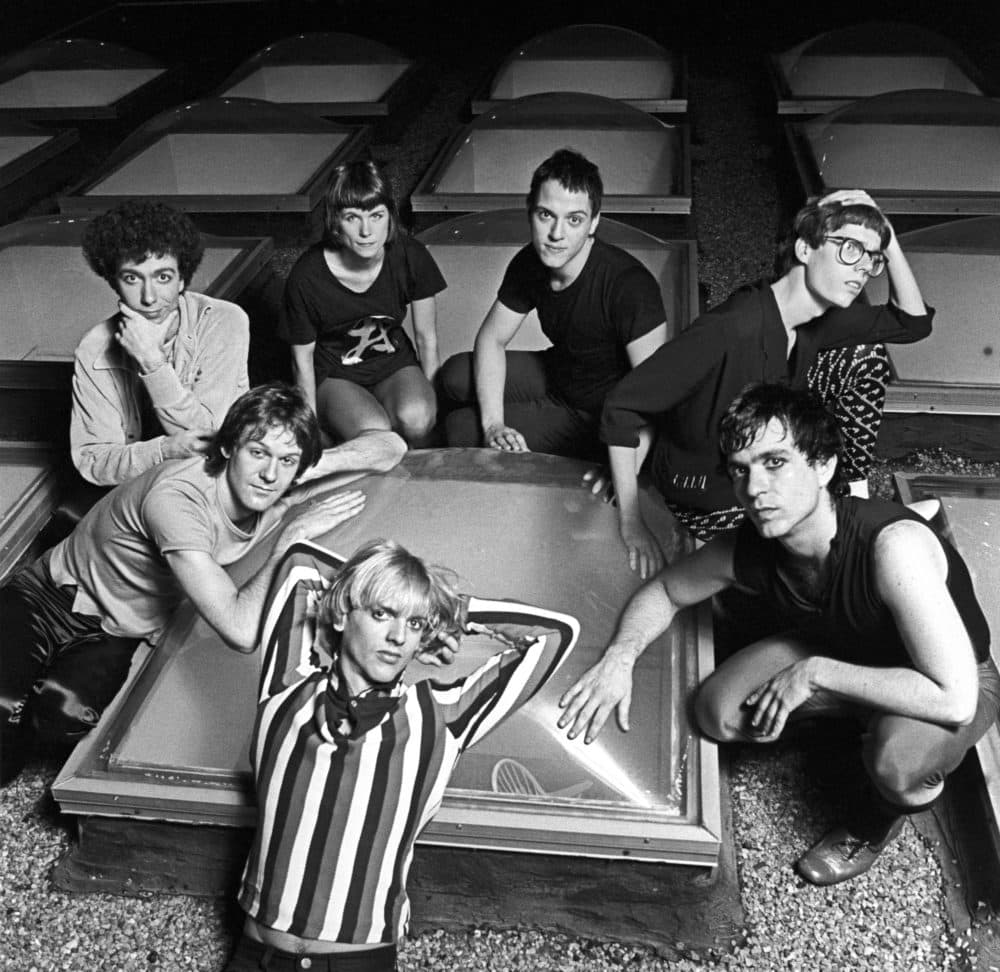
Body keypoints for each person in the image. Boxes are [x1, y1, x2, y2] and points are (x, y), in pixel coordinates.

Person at [558, 384, 998, 886]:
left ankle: (874, 822)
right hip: (841, 643)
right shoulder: (753, 544)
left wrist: (813, 675)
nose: (754, 488)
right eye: (742, 470)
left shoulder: (893, 548)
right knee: (717, 713)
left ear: (824, 466)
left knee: (898, 762)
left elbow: (956, 698)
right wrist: (620, 657)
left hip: (947, 678)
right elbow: (665, 591)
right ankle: (855, 724)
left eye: (776, 463)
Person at [0, 383, 406, 786]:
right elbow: (240, 631)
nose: (269, 474)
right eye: (258, 452)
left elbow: (392, 447)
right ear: (228, 448)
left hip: (119, 628)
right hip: (50, 596)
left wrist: (317, 462)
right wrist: (291, 537)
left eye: (286, 460)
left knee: (63, 719)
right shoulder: (177, 500)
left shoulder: (278, 476)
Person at [226, 539, 579, 971]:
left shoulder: (440, 718)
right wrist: (384, 584)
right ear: (340, 613)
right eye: (381, 614)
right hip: (255, 956)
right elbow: (301, 561)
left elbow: (555, 634)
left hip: (359, 964)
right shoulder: (286, 688)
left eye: (414, 624)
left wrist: (449, 609)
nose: (397, 637)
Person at [597, 190, 932, 578]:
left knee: (865, 356)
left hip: (765, 455)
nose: (863, 268)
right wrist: (631, 521)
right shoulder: (730, 327)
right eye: (851, 249)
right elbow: (621, 407)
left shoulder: (816, 317)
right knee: (811, 566)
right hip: (709, 489)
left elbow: (913, 322)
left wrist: (886, 233)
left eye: (872, 258)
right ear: (806, 249)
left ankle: (854, 503)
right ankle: (853, 530)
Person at [439, 148, 667, 461]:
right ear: (530, 211)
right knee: (454, 374)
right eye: (546, 215)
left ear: (594, 223)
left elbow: (656, 395)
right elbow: (492, 338)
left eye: (574, 220)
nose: (556, 234)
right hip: (557, 372)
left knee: (459, 430)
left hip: (594, 414)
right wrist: (494, 424)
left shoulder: (630, 286)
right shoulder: (529, 261)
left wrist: (625, 474)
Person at [73, 200, 250, 486]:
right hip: (141, 489)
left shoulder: (223, 321)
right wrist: (163, 451)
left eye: (163, 277)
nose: (149, 297)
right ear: (113, 282)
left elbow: (208, 440)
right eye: (132, 278)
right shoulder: (94, 348)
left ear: (182, 279)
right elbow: (94, 461)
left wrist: (153, 362)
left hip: (221, 478)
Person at [281, 160, 446, 448]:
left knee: (418, 419)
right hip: (335, 375)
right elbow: (301, 362)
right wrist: (310, 430)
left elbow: (426, 339)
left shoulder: (410, 255)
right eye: (352, 217)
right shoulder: (306, 276)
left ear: (390, 217)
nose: (367, 231)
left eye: (376, 215)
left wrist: (434, 405)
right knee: (376, 434)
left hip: (393, 364)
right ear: (335, 221)